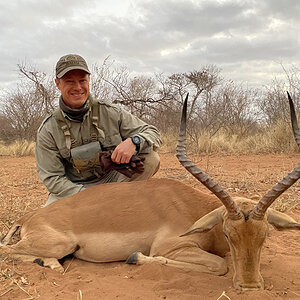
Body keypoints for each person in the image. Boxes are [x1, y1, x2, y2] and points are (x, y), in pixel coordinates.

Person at [36, 54, 162, 206]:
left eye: (82, 80)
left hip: (113, 182)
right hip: (74, 189)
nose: (78, 87)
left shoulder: (110, 112)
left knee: (151, 158)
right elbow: (53, 178)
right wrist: (90, 197)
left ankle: (123, 205)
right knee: (47, 221)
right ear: (57, 84)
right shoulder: (48, 129)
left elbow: (152, 132)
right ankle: (110, 205)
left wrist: (134, 142)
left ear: (88, 81)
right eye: (69, 81)